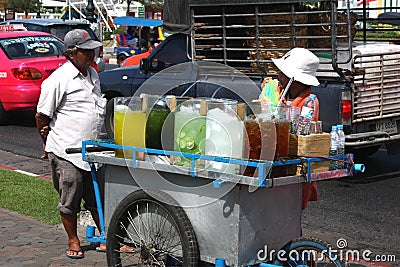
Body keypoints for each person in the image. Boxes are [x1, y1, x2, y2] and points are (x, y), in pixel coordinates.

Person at [35, 29, 107, 259]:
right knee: (71, 194)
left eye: (92, 50)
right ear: (72, 53)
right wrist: (46, 142)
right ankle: (73, 240)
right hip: (67, 149)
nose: (91, 54)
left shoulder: (93, 75)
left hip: (92, 149)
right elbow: (41, 116)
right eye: (85, 51)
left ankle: (106, 237)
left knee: (98, 195)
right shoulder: (58, 80)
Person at [261, 47, 320, 210]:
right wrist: (267, 94)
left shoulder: (309, 102)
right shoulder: (279, 93)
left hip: (294, 166)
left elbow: (301, 129)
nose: (278, 76)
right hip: (275, 160)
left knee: (288, 212)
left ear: (297, 80)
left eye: (283, 73)